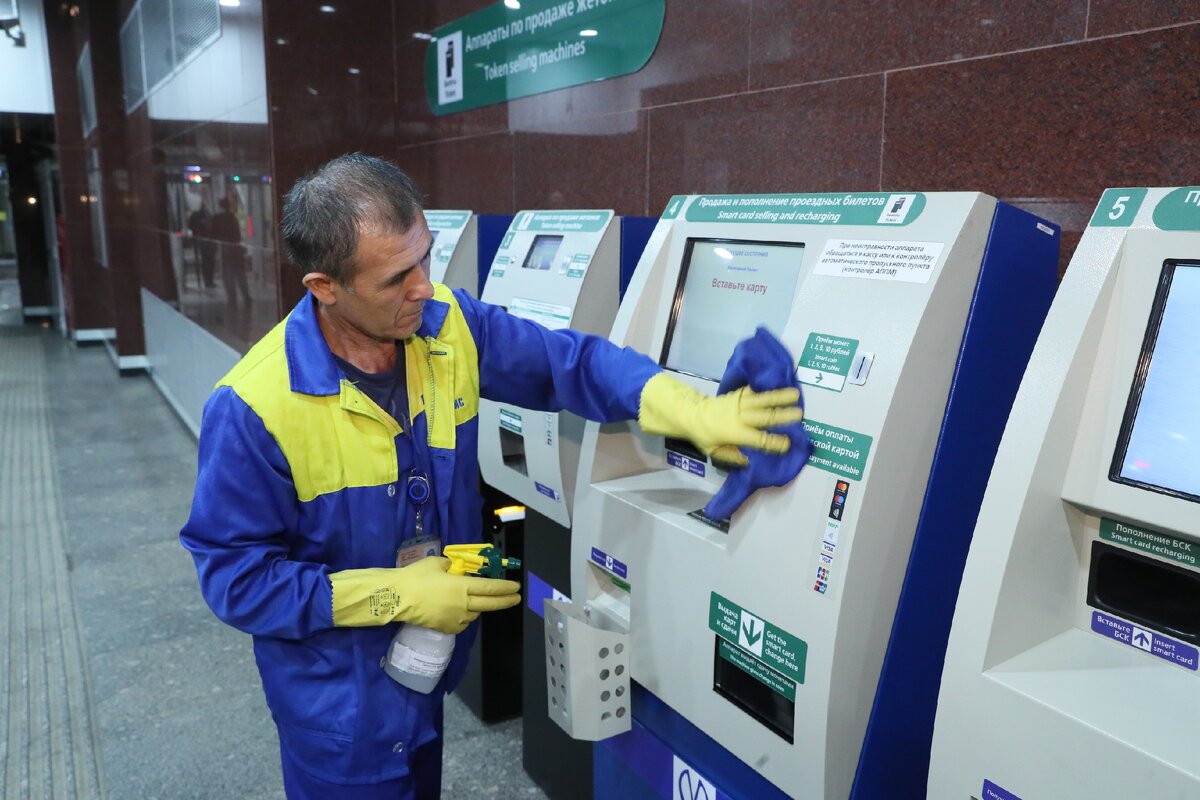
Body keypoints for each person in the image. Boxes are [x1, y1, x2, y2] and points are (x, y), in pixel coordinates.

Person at [180, 153, 803, 799]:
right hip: (336, 705)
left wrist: (686, 409)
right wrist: (396, 595)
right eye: (396, 277)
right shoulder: (255, 407)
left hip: (425, 668)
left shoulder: (444, 326)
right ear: (324, 287)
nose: (423, 286)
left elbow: (571, 363)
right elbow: (234, 578)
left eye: (425, 256)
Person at [211, 196, 251, 311]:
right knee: (240, 273)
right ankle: (246, 296)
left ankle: (232, 297)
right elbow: (237, 235)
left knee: (228, 274)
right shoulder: (233, 217)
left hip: (225, 249)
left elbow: (213, 234)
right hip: (235, 248)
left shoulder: (217, 218)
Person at [187, 203, 216, 288]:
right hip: (203, 242)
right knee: (206, 262)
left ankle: (209, 280)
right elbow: (192, 227)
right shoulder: (197, 216)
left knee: (210, 262)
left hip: (209, 242)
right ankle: (207, 281)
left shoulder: (208, 215)